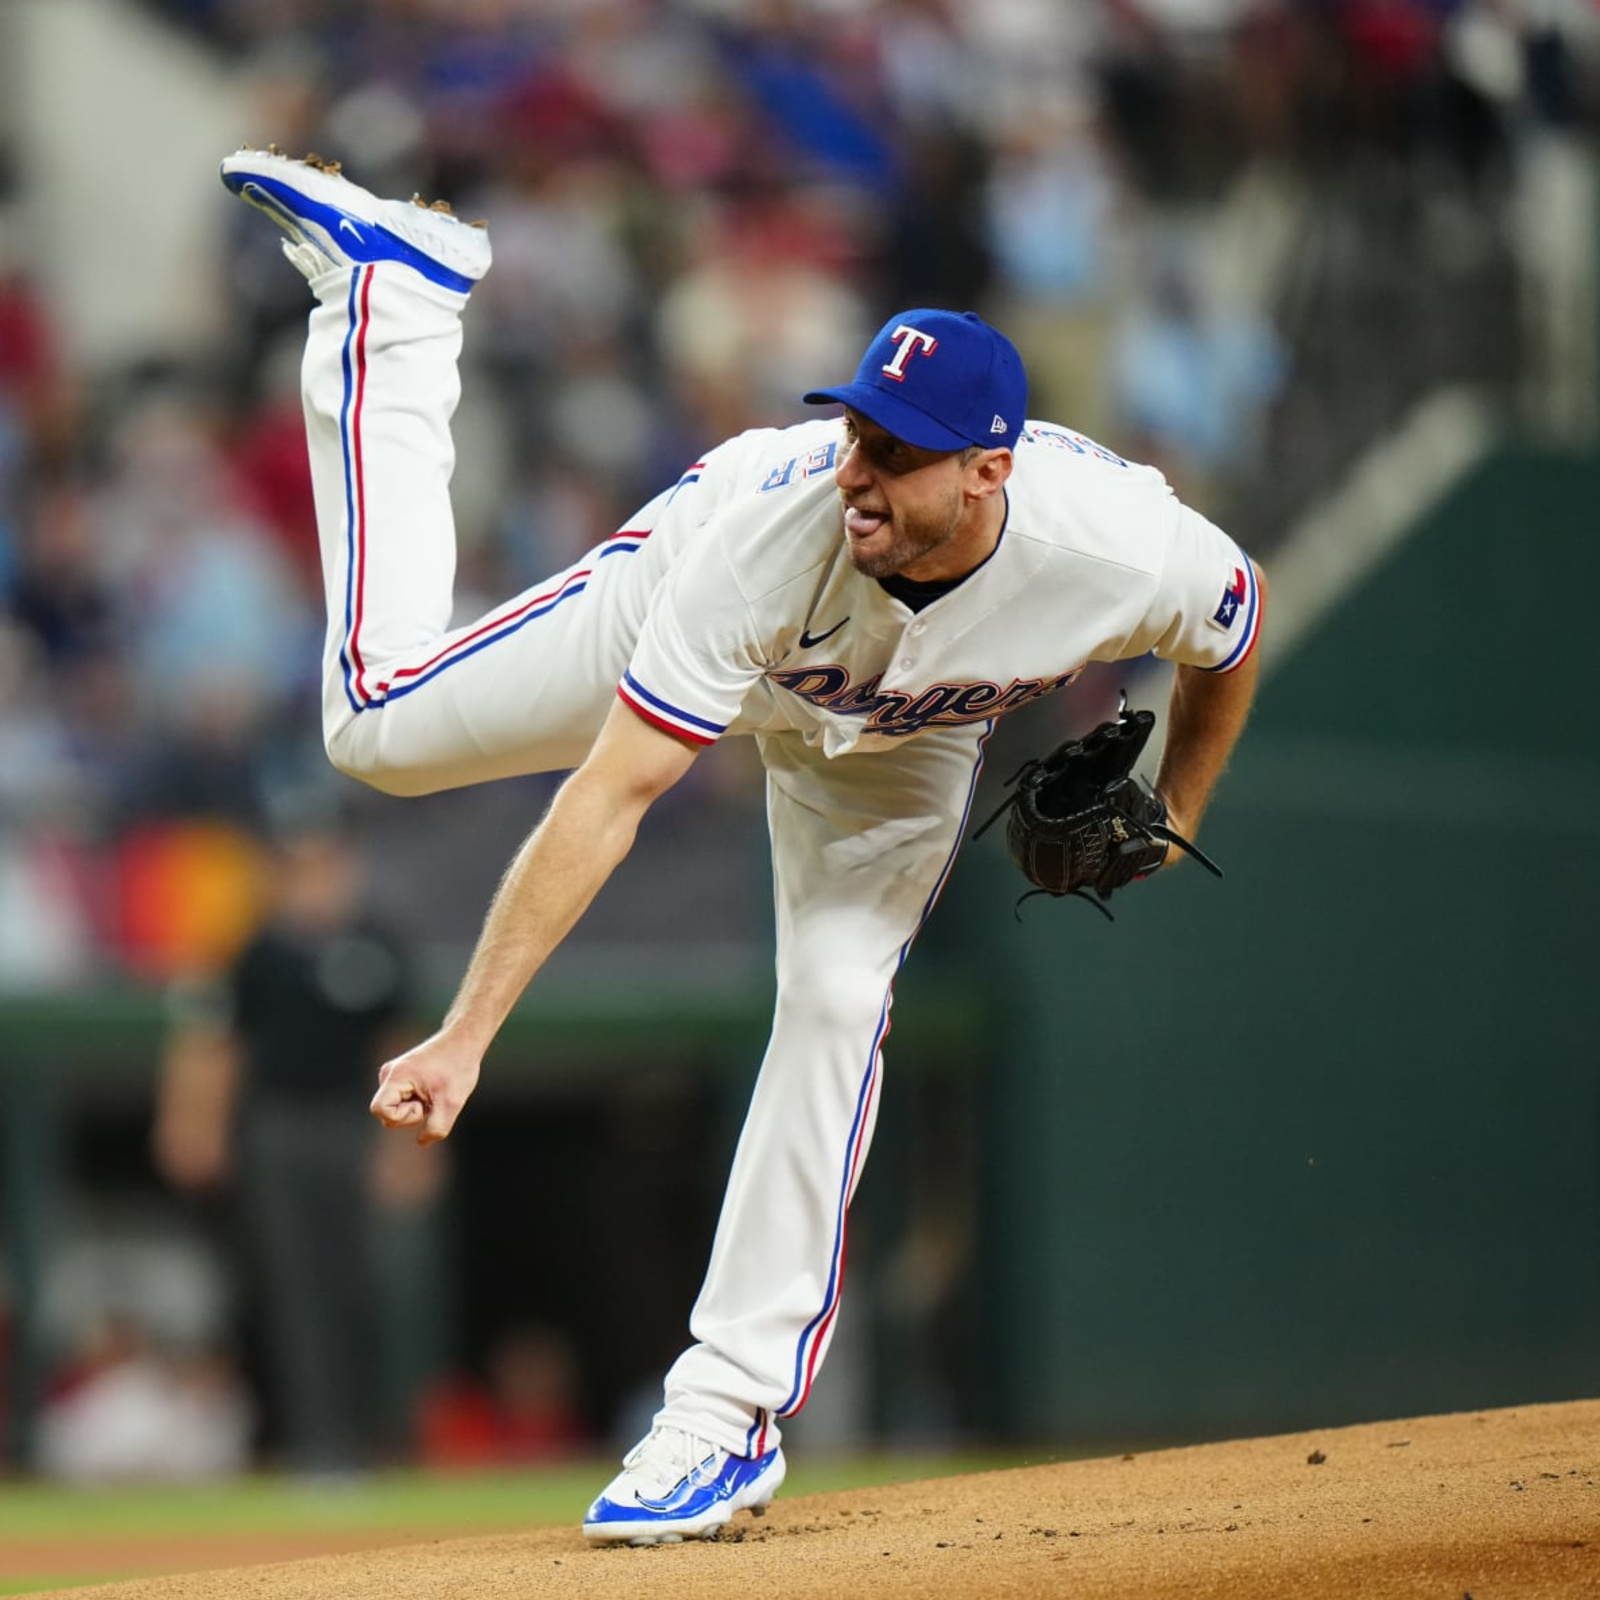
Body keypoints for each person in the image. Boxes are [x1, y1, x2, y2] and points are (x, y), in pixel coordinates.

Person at [218, 148, 1265, 1542]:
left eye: (896, 451)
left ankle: (719, 1419)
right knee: (375, 731)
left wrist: (1183, 808)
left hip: (902, 747)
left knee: (839, 994)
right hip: (708, 607)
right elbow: (610, 798)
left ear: (990, 468)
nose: (860, 471)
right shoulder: (779, 532)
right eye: (855, 432)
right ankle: (395, 305)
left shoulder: (1122, 548)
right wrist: (469, 1034)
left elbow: (1235, 626)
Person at [152, 801, 437, 1475]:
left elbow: (405, 1046)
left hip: (357, 1126)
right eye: (300, 868)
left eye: (324, 865)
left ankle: (376, 1436)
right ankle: (317, 1447)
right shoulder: (259, 951)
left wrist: (414, 1147)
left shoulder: (378, 943)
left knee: (368, 1286)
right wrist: (197, 1125)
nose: (314, 881)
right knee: (295, 1291)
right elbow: (216, 1045)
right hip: (279, 1129)